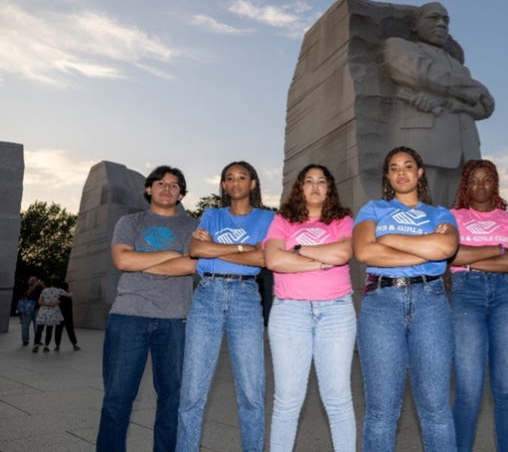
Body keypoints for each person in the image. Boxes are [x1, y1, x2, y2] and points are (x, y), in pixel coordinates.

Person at [353, 146, 459, 452]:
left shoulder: (440, 213)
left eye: (408, 166)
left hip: (431, 302)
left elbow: (445, 250)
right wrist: (424, 245)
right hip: (381, 304)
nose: (402, 172)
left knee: (437, 409)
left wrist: (388, 240)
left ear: (420, 172)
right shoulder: (372, 209)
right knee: (381, 411)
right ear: (388, 176)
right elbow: (364, 252)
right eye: (394, 167)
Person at [96, 166, 198, 452]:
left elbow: (192, 265)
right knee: (117, 398)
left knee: (172, 400)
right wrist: (171, 255)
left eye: (174, 185)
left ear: (181, 194)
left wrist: (142, 258)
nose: (167, 188)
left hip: (175, 321)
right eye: (161, 183)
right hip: (128, 317)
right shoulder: (130, 222)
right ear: (148, 189)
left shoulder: (193, 227)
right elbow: (122, 261)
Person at [176, 161, 274, 452]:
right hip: (207, 295)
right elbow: (196, 251)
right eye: (229, 178)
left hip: (246, 297)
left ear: (253, 184)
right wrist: (246, 248)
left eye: (241, 177)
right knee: (192, 391)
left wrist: (218, 246)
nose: (235, 182)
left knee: (251, 392)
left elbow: (263, 260)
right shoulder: (212, 214)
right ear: (223, 185)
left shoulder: (267, 219)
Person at [264, 164, 356, 452]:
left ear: (329, 188)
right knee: (287, 400)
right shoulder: (282, 220)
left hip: (336, 312)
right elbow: (274, 261)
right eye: (308, 181)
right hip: (290, 312)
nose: (315, 187)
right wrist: (320, 262)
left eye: (321, 181)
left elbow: (343, 253)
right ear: (299, 187)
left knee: (339, 398)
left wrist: (297, 250)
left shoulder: (342, 220)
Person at [449, 160, 508, 452]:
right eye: (474, 180)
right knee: (469, 390)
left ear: (495, 184)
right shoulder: (452, 217)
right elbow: (449, 256)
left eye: (486, 180)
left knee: (506, 389)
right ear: (465, 185)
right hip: (465, 295)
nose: (480, 185)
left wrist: (468, 257)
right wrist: (497, 250)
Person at [382, 2, 495, 206]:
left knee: (462, 220)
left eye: (446, 20)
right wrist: (474, 88)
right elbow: (422, 74)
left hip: (466, 153)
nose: (442, 24)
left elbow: (485, 107)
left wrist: (450, 100)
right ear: (415, 25)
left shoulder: (461, 69)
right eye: (434, 18)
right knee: (420, 212)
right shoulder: (399, 46)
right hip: (426, 147)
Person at [33, 279, 70, 353]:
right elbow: (69, 295)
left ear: (51, 283)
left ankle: (36, 345)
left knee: (39, 330)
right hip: (52, 314)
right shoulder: (59, 291)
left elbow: (39, 302)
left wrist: (47, 304)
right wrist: (56, 302)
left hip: (42, 313)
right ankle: (46, 347)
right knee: (49, 330)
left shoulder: (44, 290)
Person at [54, 280, 80, 351]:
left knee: (58, 331)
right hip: (68, 315)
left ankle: (57, 346)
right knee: (70, 330)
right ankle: (75, 345)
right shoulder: (68, 295)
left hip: (59, 315)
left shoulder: (59, 295)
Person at [20, 276, 43, 346]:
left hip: (37, 308)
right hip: (27, 309)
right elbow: (27, 294)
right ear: (29, 281)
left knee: (37, 326)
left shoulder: (40, 288)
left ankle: (37, 340)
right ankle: (25, 340)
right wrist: (34, 286)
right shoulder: (26, 287)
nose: (33, 281)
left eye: (35, 280)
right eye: (32, 280)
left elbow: (46, 292)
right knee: (25, 326)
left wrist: (42, 284)